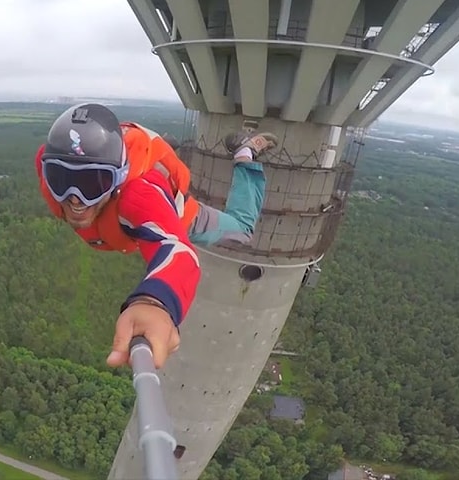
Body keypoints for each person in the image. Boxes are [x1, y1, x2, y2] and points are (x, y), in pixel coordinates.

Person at [34, 103, 278, 370]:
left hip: (181, 214)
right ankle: (165, 151)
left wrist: (155, 301)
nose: (75, 200)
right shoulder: (50, 168)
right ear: (48, 172)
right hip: (134, 196)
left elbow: (175, 248)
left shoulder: (138, 196)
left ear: (119, 179)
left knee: (242, 229)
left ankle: (246, 153)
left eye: (93, 183)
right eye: (62, 180)